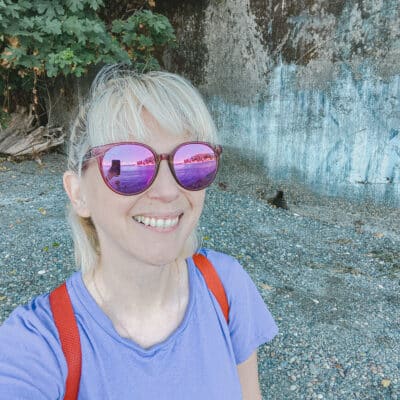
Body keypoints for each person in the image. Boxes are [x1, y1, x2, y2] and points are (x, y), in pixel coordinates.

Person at [0, 65, 278, 399]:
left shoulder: (227, 287)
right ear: (78, 194)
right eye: (128, 165)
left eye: (192, 161)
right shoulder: (37, 346)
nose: (168, 191)